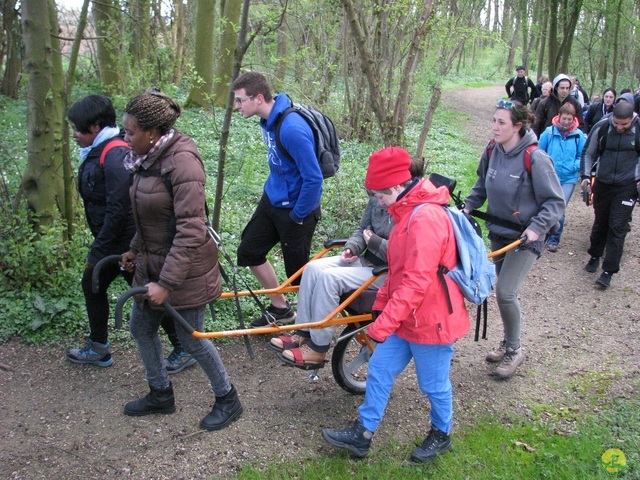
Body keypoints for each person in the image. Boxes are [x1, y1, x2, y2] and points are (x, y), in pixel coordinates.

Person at [321, 147, 470, 462]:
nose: (377, 202)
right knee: (380, 368)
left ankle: (441, 434)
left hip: (431, 319)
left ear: (396, 187)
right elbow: (398, 269)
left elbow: (418, 281)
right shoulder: (405, 213)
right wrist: (382, 309)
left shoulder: (425, 218)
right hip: (407, 317)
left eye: (379, 195)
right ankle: (363, 433)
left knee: (433, 384)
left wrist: (384, 323)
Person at [119, 90, 242, 430]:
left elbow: (191, 230)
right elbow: (150, 216)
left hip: (184, 271)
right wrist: (133, 248)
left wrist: (167, 283)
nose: (125, 138)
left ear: (153, 134)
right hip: (153, 263)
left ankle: (228, 398)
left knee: (191, 339)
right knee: (141, 328)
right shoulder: (146, 159)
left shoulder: (182, 163)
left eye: (130, 133)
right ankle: (161, 393)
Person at [65, 95, 196, 375]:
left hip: (123, 242)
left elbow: (121, 208)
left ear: (96, 126)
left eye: (78, 129)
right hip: (122, 243)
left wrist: (104, 247)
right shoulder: (104, 152)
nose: (74, 135)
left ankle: (186, 349)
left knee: (147, 296)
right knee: (126, 294)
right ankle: (104, 347)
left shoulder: (114, 156)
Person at [271, 159, 425, 367]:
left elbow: (407, 255)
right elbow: (362, 230)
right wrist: (352, 248)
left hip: (387, 271)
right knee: (313, 268)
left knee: (328, 279)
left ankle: (318, 348)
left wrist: (376, 242)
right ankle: (304, 331)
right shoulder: (378, 201)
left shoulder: (415, 212)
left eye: (380, 196)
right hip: (366, 260)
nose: (379, 202)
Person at [464, 100, 564, 378]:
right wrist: (469, 206)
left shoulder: (536, 158)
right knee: (504, 294)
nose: (495, 127)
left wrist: (537, 227)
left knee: (506, 292)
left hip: (525, 238)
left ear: (518, 126)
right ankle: (508, 341)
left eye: (501, 123)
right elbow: (482, 183)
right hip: (500, 233)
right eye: (494, 120)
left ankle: (514, 350)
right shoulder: (492, 149)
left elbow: (555, 203)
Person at [231, 71, 323, 328]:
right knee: (249, 251)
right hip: (273, 200)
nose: (237, 107)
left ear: (258, 98)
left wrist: (298, 216)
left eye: (240, 101)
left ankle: (308, 330)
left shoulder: (292, 128)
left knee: (297, 277)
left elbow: (314, 178)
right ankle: (281, 308)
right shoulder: (268, 120)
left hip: (296, 209)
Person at [581, 102, 640, 289]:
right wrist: (585, 177)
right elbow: (588, 152)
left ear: (632, 119)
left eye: (624, 124)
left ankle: (608, 271)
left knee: (618, 226)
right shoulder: (603, 127)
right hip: (603, 184)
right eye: (617, 123)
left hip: (627, 186)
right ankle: (595, 255)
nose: (620, 127)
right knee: (601, 222)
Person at [538, 103, 587, 252]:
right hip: (550, 176)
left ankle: (554, 238)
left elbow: (583, 156)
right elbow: (539, 151)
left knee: (560, 207)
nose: (566, 122)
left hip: (568, 178)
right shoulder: (549, 132)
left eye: (569, 119)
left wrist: (574, 166)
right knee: (545, 205)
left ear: (574, 119)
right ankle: (542, 233)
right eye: (564, 118)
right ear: (559, 117)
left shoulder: (579, 136)